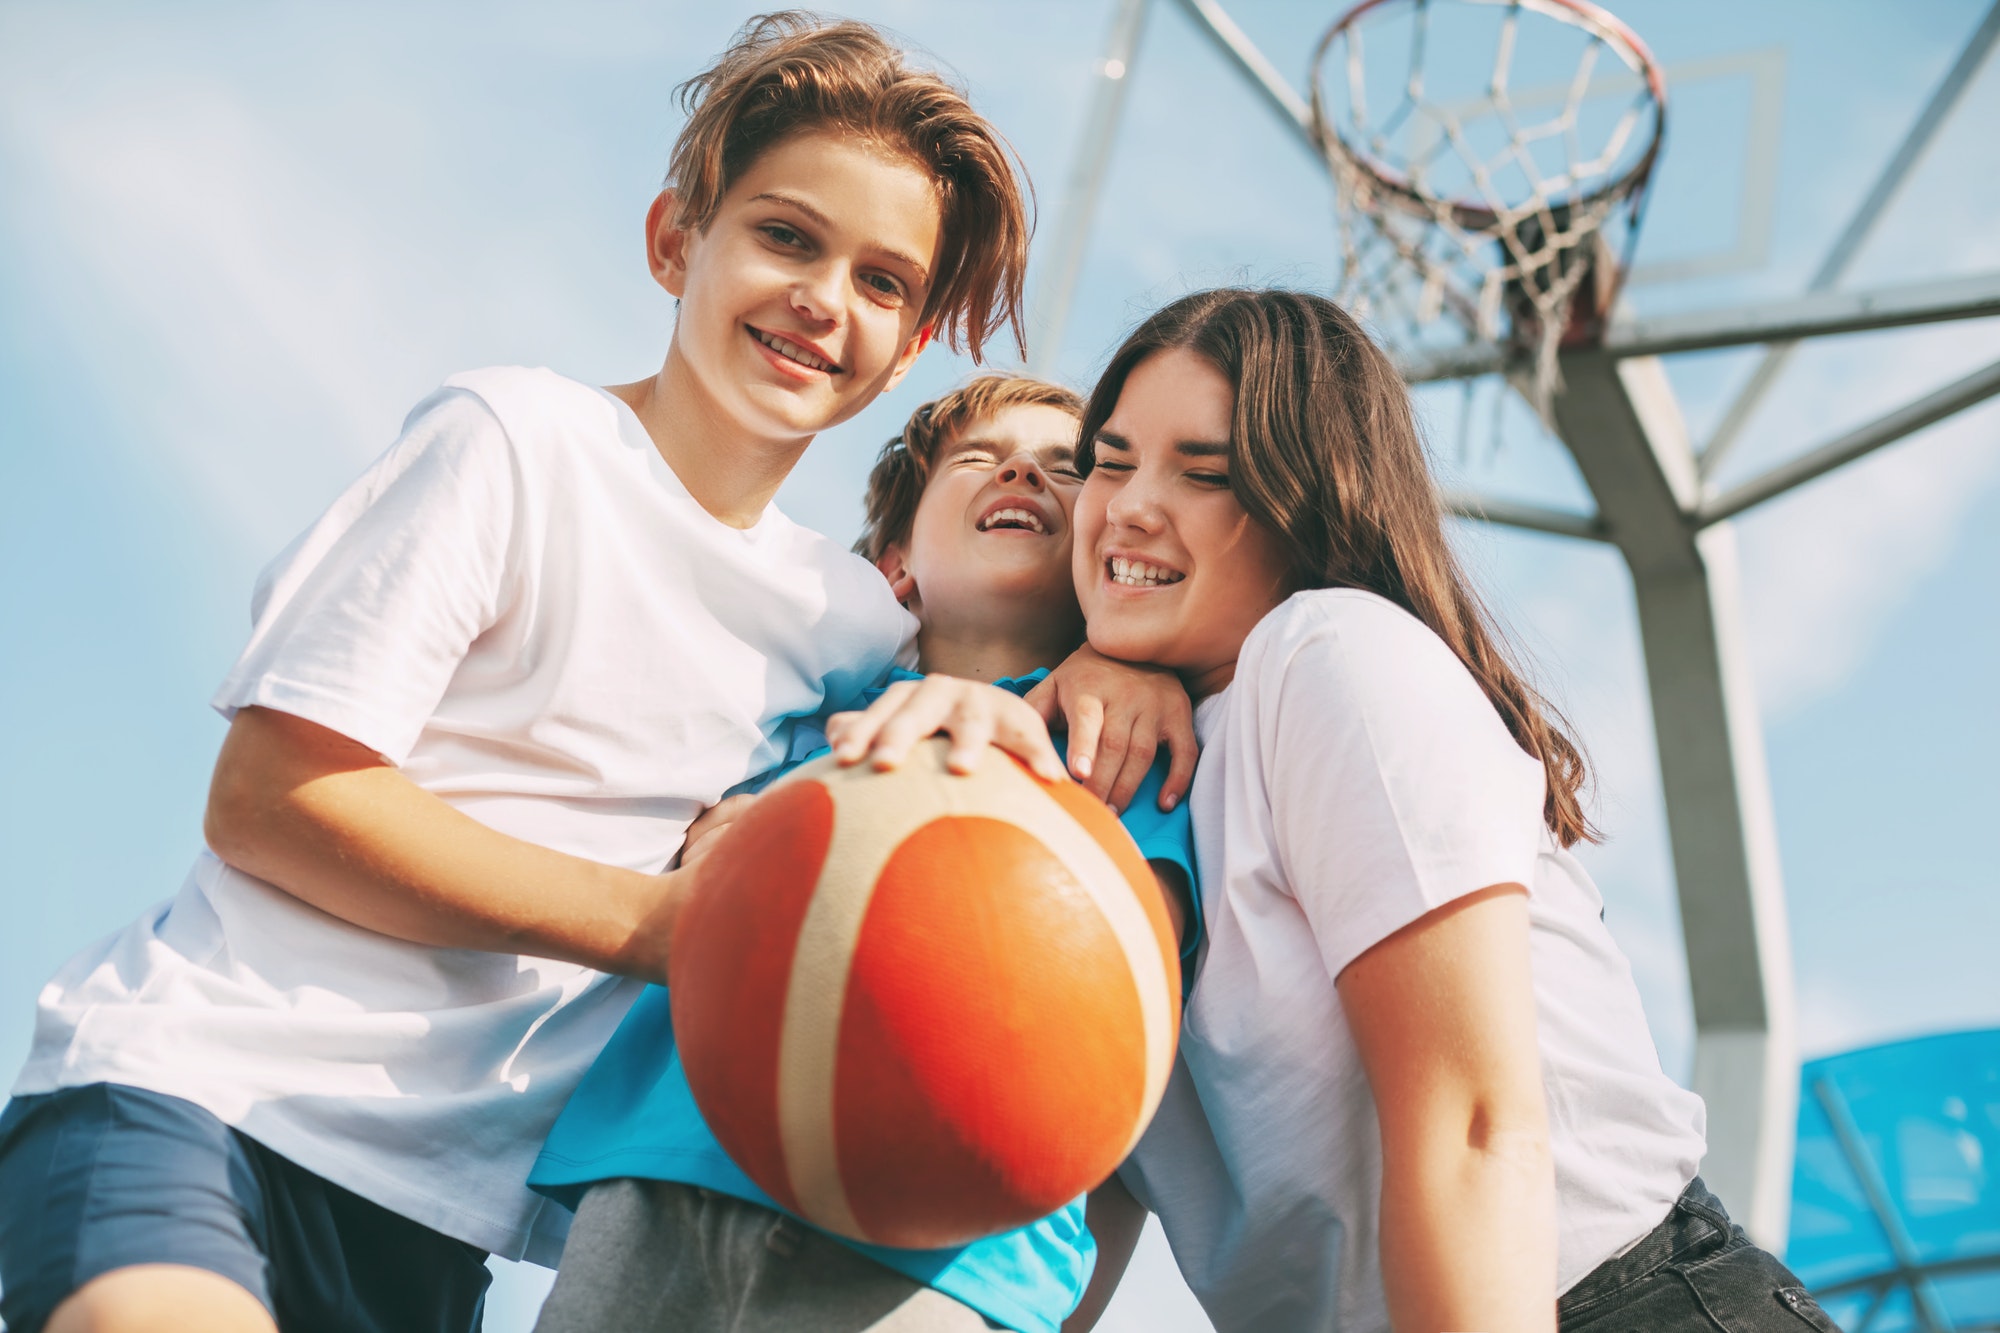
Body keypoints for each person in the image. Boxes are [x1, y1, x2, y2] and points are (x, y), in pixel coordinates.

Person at [0, 16, 1195, 1333]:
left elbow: (983, 666)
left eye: (880, 281)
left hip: (433, 1221)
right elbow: (275, 800)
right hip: (200, 1095)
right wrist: (671, 927)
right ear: (677, 240)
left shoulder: (847, 621)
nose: (821, 298)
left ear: (910, 346)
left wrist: (1117, 665)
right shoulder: (516, 442)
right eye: (787, 237)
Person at [838, 289, 1841, 1333]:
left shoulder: (1325, 656)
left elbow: (1473, 1126)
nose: (1129, 505)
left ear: (1301, 501)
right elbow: (1084, 1196)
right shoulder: (1112, 776)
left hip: (1604, 1300)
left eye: (1203, 472)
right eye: (1112, 459)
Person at [527, 373, 1199, 1333]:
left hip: (945, 1255)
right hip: (666, 1177)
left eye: (1067, 469)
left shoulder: (1114, 750)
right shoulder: (789, 735)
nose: (1022, 469)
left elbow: (1122, 1009)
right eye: (979, 457)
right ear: (895, 567)